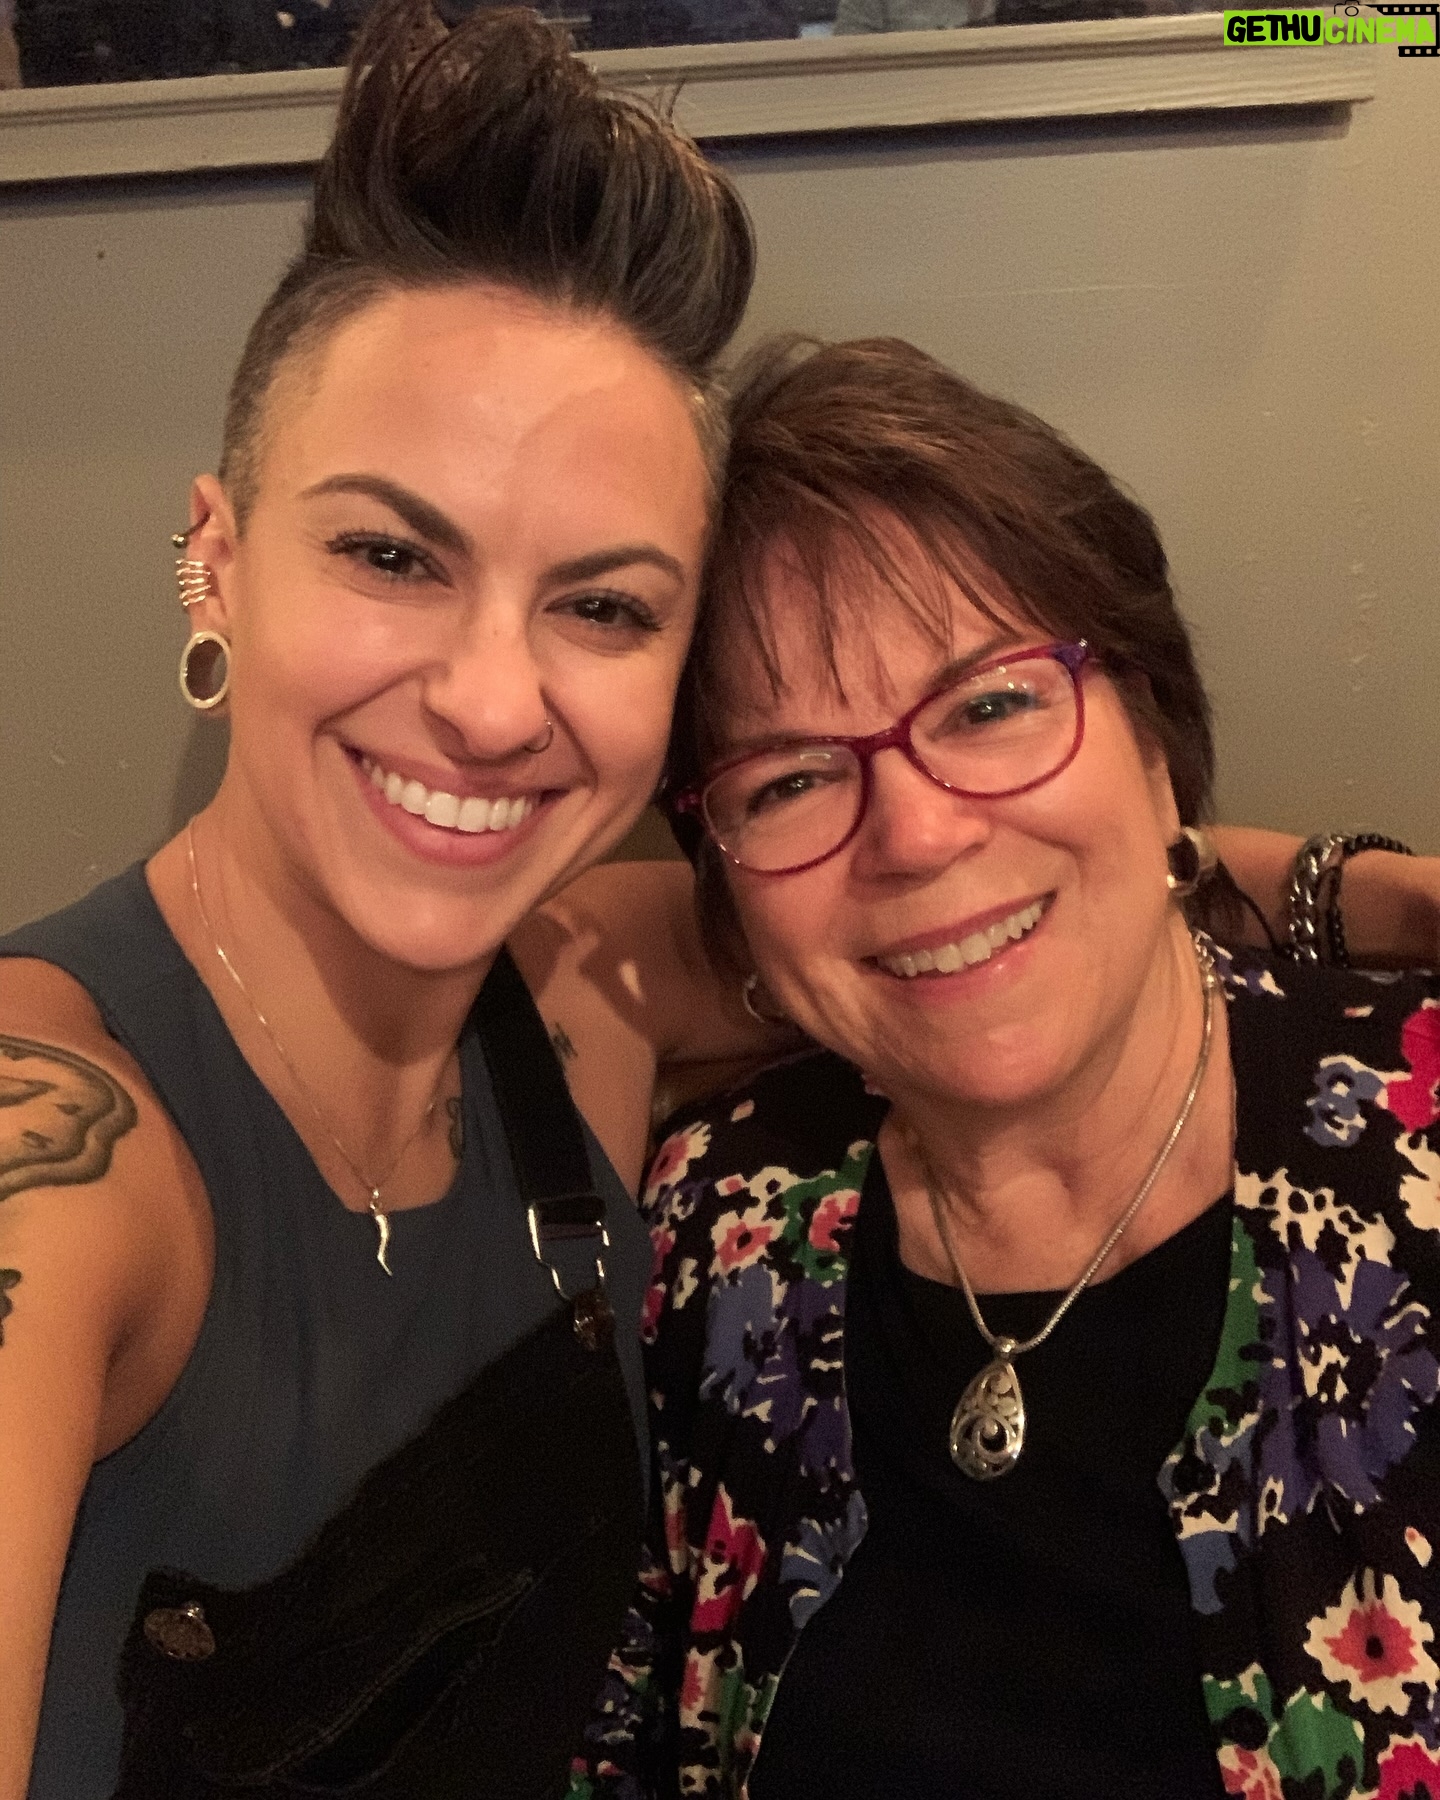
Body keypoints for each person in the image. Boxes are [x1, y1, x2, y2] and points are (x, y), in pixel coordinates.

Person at [0, 4, 764, 1795]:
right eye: (392, 554)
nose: (494, 705)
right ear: (215, 560)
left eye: (604, 607)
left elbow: (946, 892)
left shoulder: (583, 994)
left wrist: (1347, 892)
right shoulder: (66, 1149)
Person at [569, 338, 1440, 1800]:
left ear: (1153, 741)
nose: (916, 835)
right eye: (792, 779)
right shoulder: (713, 1231)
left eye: (990, 705)